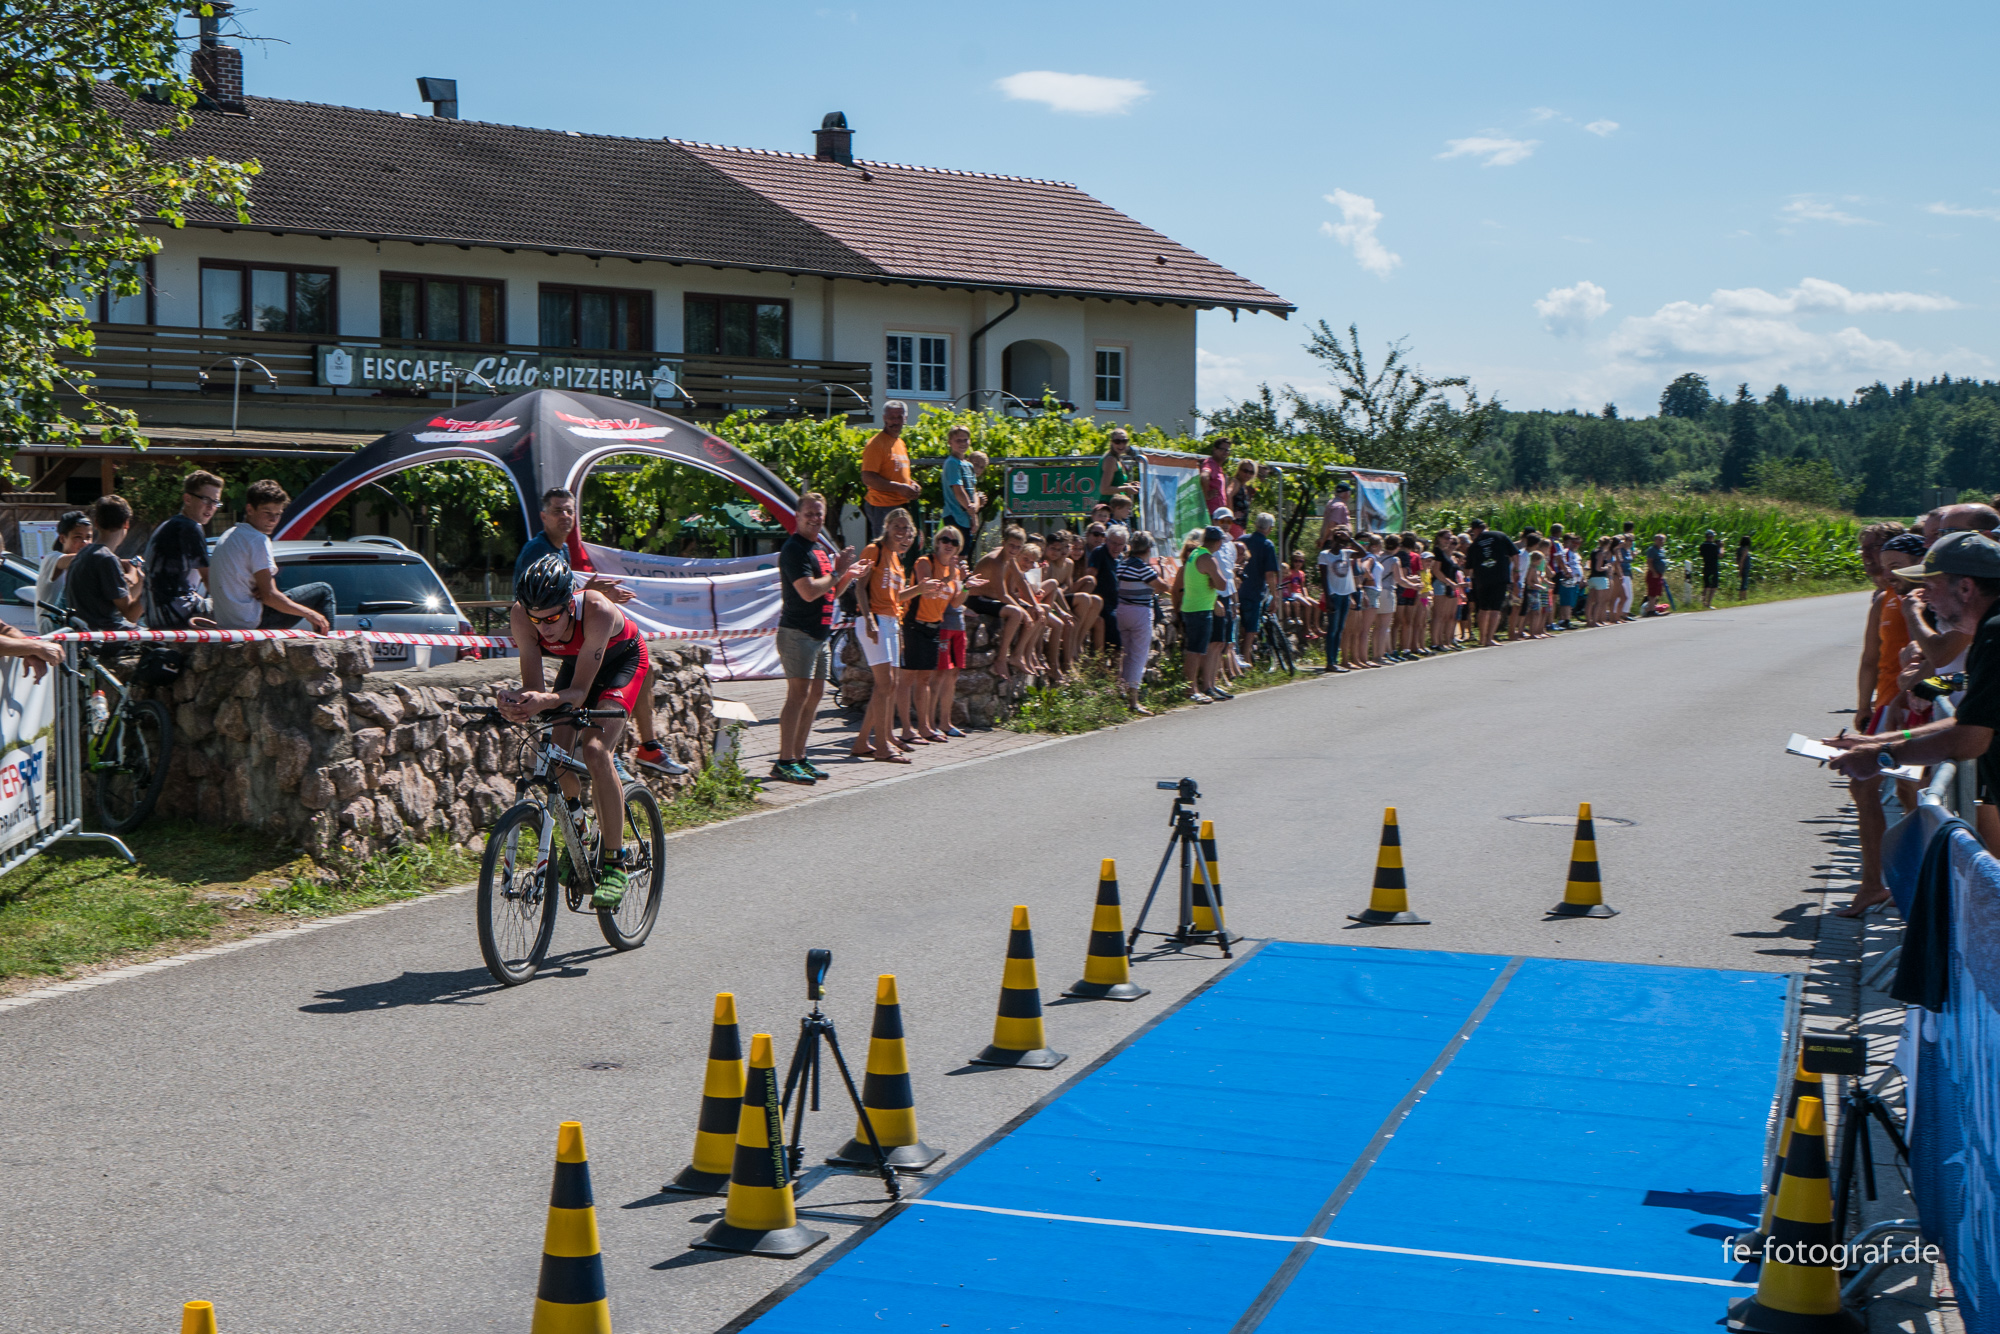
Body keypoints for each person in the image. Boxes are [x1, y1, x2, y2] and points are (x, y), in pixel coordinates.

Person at [1828, 531, 2000, 858]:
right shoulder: (1989, 630)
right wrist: (1882, 741)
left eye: (1930, 586)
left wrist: (1882, 756)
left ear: (1965, 588)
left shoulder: (1995, 632)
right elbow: (1974, 720)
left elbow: (1969, 739)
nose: (1924, 597)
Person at [497, 555, 645, 908]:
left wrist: (543, 700)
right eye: (536, 618)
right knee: (554, 757)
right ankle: (581, 834)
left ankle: (615, 862)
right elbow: (535, 688)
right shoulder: (522, 616)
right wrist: (515, 701)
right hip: (578, 667)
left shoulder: (596, 610)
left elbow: (578, 693)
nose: (544, 628)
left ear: (569, 605)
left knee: (595, 749)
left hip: (621, 664)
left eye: (552, 618)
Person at [516, 488, 680, 777]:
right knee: (567, 741)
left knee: (640, 672)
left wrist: (590, 596)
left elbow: (560, 599)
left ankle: (632, 750)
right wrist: (588, 593)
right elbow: (539, 602)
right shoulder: (539, 551)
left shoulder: (561, 549)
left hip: (584, 641)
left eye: (570, 510)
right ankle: (614, 754)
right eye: (557, 511)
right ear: (543, 516)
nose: (565, 516)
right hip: (552, 636)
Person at [771, 493, 868, 785]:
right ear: (798, 516)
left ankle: (799, 757)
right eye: (809, 513)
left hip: (819, 634)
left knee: (814, 695)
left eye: (819, 513)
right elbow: (809, 591)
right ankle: (784, 761)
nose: (815, 518)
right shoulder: (794, 549)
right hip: (797, 634)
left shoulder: (820, 550)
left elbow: (830, 592)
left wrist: (847, 575)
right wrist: (838, 571)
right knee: (797, 695)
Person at [852, 508, 929, 762]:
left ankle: (864, 741)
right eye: (897, 526)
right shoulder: (874, 550)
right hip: (875, 619)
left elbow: (896, 598)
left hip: (891, 621)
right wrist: (869, 620)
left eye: (906, 528)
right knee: (885, 684)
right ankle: (882, 745)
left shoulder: (897, 559)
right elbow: (860, 588)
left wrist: (920, 589)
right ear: (887, 527)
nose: (902, 531)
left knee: (890, 684)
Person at [207, 481, 334, 634]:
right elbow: (269, 596)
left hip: (228, 623)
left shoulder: (229, 535)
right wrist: (310, 614)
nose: (273, 520)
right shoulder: (257, 539)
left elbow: (261, 590)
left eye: (278, 514)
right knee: (323, 591)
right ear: (250, 509)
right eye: (267, 513)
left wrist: (263, 588)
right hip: (253, 623)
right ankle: (330, 644)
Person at [900, 527, 965, 746]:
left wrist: (966, 585)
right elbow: (928, 591)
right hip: (913, 624)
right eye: (945, 540)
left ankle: (925, 727)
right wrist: (949, 576)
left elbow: (955, 603)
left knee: (925, 679)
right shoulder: (925, 562)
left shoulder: (954, 571)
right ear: (937, 542)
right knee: (907, 679)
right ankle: (906, 730)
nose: (949, 545)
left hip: (934, 627)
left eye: (954, 542)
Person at [144, 469, 221, 629]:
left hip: (155, 616)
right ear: (187, 499)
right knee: (248, 609)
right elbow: (209, 580)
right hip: (179, 615)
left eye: (216, 502)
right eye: (206, 500)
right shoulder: (190, 528)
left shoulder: (167, 525)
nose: (211, 507)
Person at [67, 494, 147, 633]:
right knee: (162, 639)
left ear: (96, 523)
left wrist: (140, 582)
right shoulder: (107, 559)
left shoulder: (84, 554)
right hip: (107, 637)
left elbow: (122, 601)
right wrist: (149, 587)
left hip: (86, 633)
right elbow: (131, 615)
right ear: (126, 523)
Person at [1111, 527, 1170, 714]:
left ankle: (1121, 692)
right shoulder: (1144, 568)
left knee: (1125, 654)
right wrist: (1161, 568)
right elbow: (1162, 587)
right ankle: (1134, 700)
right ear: (1148, 549)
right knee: (1138, 656)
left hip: (1121, 610)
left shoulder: (1122, 565)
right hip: (1140, 613)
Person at [966, 525, 1034, 679]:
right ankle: (1001, 658)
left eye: (1018, 547)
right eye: (1011, 545)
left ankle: (1020, 655)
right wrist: (1024, 613)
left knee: (1037, 611)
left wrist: (1035, 606)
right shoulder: (996, 561)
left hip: (992, 598)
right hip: (977, 599)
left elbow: (1021, 581)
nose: (1014, 550)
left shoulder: (1010, 558)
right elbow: (1003, 595)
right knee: (1016, 613)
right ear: (1004, 543)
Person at [861, 401, 920, 540]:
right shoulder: (876, 444)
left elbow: (896, 473)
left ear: (905, 418)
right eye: (891, 417)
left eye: (899, 417)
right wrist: (899, 487)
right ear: (884, 418)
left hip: (899, 506)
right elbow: (868, 477)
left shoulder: (900, 443)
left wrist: (912, 484)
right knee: (885, 547)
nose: (896, 421)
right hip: (882, 507)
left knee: (899, 548)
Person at [1178, 526, 1224, 702]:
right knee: (1195, 651)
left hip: (1192, 607)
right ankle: (1191, 690)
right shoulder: (1208, 558)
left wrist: (1212, 579)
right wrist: (1215, 576)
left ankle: (1192, 688)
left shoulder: (1195, 553)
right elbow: (1222, 584)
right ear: (1218, 542)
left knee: (1196, 649)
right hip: (1200, 609)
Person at [34, 510, 92, 632]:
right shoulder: (52, 558)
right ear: (62, 538)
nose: (84, 543)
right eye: (77, 537)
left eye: (88, 537)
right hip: (54, 633)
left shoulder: (89, 564)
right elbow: (77, 560)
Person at [1464, 519, 1517, 648]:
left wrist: (1468, 580)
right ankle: (1489, 638)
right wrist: (1516, 571)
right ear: (1485, 526)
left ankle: (1482, 638)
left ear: (1475, 529)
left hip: (1482, 580)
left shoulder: (1474, 545)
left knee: (1483, 609)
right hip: (1500, 578)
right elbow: (1515, 554)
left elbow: (1468, 568)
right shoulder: (1500, 535)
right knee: (1495, 609)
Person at [1239, 512, 1282, 652]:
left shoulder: (1242, 540)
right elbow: (1269, 574)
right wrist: (1275, 597)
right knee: (1251, 630)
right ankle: (1246, 657)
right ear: (1270, 528)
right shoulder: (1267, 545)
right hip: (1254, 592)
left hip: (1237, 590)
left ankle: (1241, 655)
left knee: (1241, 627)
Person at [1317, 529, 1357, 671]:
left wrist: (1350, 539)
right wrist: (1328, 598)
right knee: (1333, 629)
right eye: (1339, 541)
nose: (1342, 544)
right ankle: (1330, 662)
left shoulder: (1346, 553)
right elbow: (1323, 578)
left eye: (1344, 542)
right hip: (1334, 595)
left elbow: (1364, 553)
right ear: (1333, 540)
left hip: (1345, 594)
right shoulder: (1325, 555)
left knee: (1340, 628)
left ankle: (1335, 660)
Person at [940, 427, 983, 543]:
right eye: (958, 440)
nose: (963, 443)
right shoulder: (952, 463)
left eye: (965, 440)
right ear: (950, 442)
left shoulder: (969, 465)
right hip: (954, 518)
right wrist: (972, 512)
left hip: (966, 520)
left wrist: (975, 508)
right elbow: (959, 492)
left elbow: (974, 491)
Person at [1097, 428, 1141, 504]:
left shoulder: (1117, 458)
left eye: (1124, 441)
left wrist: (1130, 485)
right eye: (1117, 441)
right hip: (1110, 505)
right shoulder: (1110, 460)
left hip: (1117, 505)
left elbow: (1116, 484)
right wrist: (1126, 489)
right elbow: (1104, 490)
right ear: (1111, 442)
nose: (1121, 445)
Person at [1198, 437, 1231, 516]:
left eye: (1227, 450)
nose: (1225, 453)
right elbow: (1204, 477)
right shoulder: (1210, 463)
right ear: (1214, 449)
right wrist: (1206, 495)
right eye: (1222, 449)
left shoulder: (1218, 466)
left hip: (1218, 514)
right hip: (1211, 514)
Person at [1643, 532, 1672, 613]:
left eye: (1663, 540)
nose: (1661, 541)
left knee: (1656, 592)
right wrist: (1654, 572)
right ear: (1655, 540)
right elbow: (1649, 562)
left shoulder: (1662, 550)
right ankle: (1651, 610)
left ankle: (1653, 608)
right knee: (1652, 593)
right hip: (1653, 574)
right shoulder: (1652, 550)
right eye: (1659, 540)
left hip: (1659, 574)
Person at [1318, 481, 1353, 546]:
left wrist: (1322, 537)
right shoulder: (1340, 506)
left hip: (1331, 541)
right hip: (1335, 542)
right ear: (1347, 493)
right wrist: (1323, 539)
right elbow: (1331, 524)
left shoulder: (1331, 503)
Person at [1698, 530, 1722, 609]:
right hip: (1713, 567)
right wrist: (1721, 547)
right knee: (1714, 586)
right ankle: (1709, 603)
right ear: (1711, 537)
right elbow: (1720, 555)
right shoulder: (1714, 546)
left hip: (1706, 566)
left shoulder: (1702, 545)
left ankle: (1703, 602)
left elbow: (1701, 554)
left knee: (1706, 585)